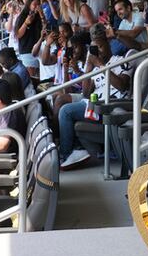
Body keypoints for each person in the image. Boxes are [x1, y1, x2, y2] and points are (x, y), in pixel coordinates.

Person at [56, 25, 131, 170]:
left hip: (113, 106)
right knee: (64, 106)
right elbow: (85, 93)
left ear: (108, 45)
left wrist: (101, 65)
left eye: (101, 47)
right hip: (96, 104)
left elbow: (122, 85)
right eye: (95, 50)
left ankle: (66, 154)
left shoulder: (121, 60)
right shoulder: (94, 66)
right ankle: (75, 149)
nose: (99, 53)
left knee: (66, 111)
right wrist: (89, 68)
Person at [13, 0, 44, 71]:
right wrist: (26, 23)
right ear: (29, 5)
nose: (37, 7)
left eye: (39, 4)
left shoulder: (39, 16)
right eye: (34, 4)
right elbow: (18, 35)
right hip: (27, 51)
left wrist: (41, 14)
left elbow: (45, 26)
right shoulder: (22, 16)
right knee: (32, 76)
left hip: (40, 49)